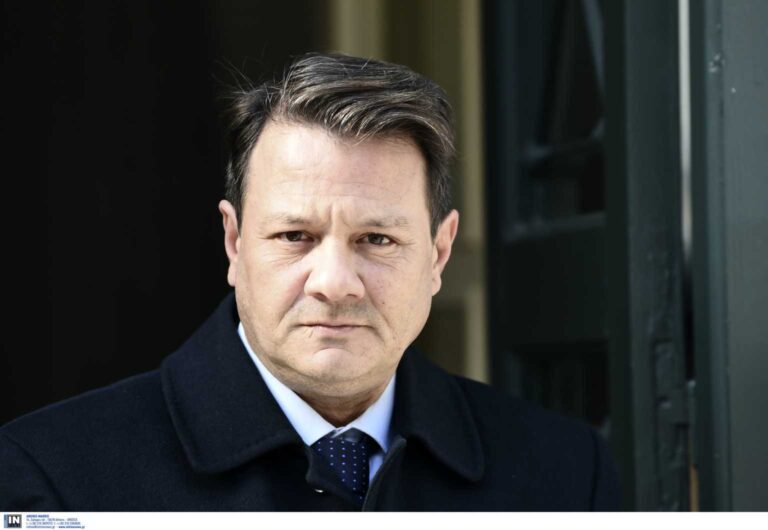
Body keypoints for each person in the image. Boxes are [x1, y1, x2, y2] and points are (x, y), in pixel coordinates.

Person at [0, 53, 620, 511]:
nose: (334, 283)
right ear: (234, 241)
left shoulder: (565, 473)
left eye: (376, 239)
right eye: (295, 236)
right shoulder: (54, 476)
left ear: (439, 253)